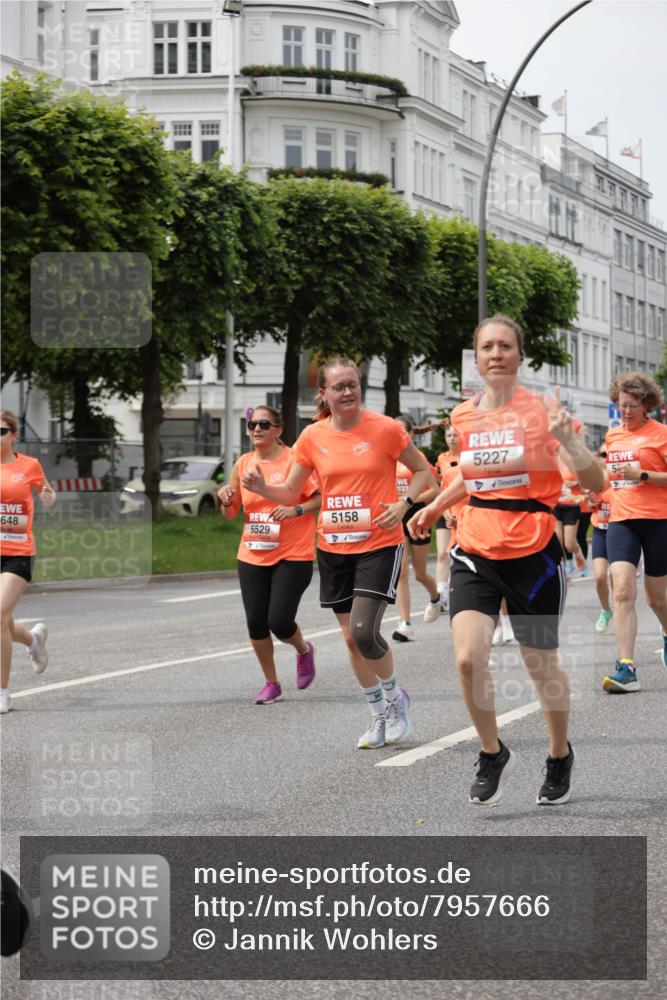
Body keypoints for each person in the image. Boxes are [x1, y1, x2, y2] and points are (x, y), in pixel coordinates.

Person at [409, 315, 604, 806]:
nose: (495, 354)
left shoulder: (544, 412)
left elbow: (596, 482)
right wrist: (434, 507)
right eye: (487, 347)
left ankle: (559, 755)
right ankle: (491, 752)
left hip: (533, 554)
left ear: (519, 356)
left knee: (540, 665)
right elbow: (473, 474)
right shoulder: (463, 416)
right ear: (476, 359)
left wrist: (573, 441)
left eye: (505, 346)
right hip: (474, 548)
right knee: (468, 657)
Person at [242, 358, 432, 749]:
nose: (348, 392)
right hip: (333, 547)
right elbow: (292, 493)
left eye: (353, 384)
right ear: (323, 394)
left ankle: (395, 700)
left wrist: (404, 505)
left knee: (364, 632)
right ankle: (377, 715)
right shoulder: (312, 437)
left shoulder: (386, 429)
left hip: (379, 543)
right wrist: (262, 486)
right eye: (339, 386)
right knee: (349, 640)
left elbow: (424, 472)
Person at [218, 406, 320, 705]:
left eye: (263, 424)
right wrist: (225, 497)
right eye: (251, 424)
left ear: (278, 429)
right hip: (252, 552)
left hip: (293, 553)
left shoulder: (294, 460)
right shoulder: (244, 463)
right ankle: (272, 683)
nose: (256, 429)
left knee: (279, 621)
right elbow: (230, 513)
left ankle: (303, 649)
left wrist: (294, 509)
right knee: (256, 623)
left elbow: (320, 498)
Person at [600, 373, 667, 693]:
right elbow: (607, 476)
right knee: (623, 589)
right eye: (621, 405)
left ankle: (666, 634)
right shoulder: (612, 437)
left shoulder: (661, 434)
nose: (626, 411)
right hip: (621, 520)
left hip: (658, 520)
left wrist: (641, 474)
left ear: (647, 405)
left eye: (632, 405)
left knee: (656, 598)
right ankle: (626, 667)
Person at [1, 410, 55, 714]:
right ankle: (33, 640)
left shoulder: (28, 465)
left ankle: (2, 692)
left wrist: (48, 496)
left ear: (13, 435)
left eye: (1, 431)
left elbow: (48, 492)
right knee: (3, 619)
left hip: (18, 553)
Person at [392, 415, 440, 642]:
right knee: (401, 572)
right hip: (395, 516)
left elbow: (435, 491)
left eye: (401, 431)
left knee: (420, 573)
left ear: (410, 435)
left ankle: (436, 597)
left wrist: (409, 500)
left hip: (417, 514)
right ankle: (405, 623)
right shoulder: (385, 454)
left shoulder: (417, 457)